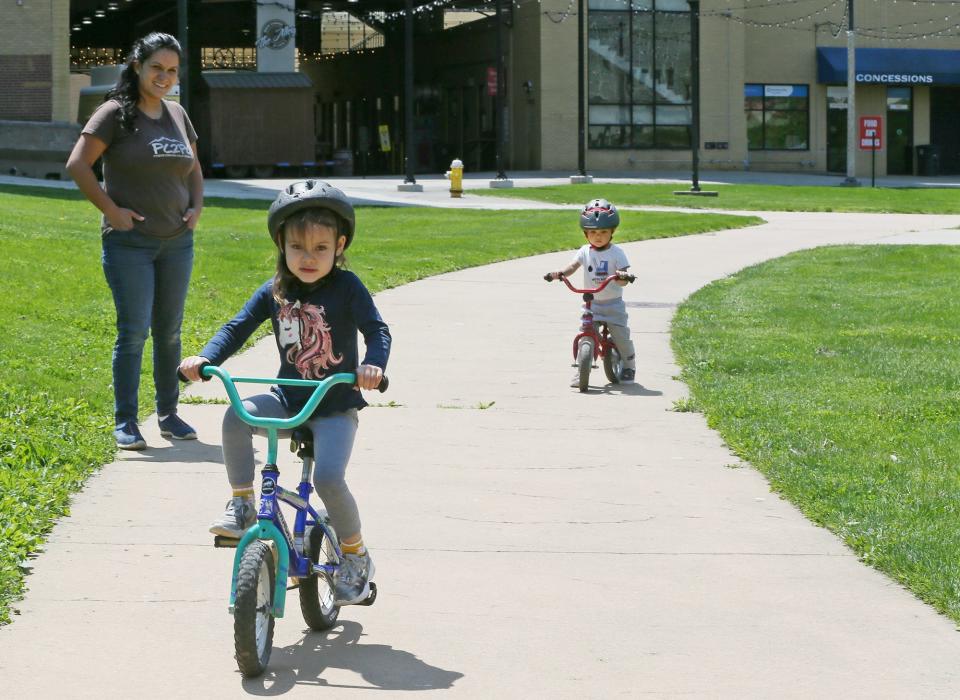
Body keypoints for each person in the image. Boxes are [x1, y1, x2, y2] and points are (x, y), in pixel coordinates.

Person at [178, 180, 391, 606]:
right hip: (288, 396)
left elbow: (377, 331)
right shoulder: (274, 290)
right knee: (236, 416)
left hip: (334, 404)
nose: (308, 258)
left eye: (320, 248)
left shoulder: (347, 288)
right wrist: (204, 359)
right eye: (297, 247)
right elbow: (236, 327)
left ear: (339, 245)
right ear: (281, 244)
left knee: (329, 477)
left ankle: (354, 554)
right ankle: (242, 504)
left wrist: (373, 366)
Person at [66, 32, 203, 450]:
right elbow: (78, 165)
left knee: (170, 332)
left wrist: (197, 206)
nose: (164, 77)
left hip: (177, 243)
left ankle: (168, 414)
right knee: (133, 332)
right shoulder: (113, 114)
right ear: (136, 67)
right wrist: (111, 210)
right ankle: (126, 421)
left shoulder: (178, 114)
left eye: (172, 70)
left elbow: (194, 168)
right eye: (156, 68)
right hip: (131, 245)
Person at [545, 198, 637, 385]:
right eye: (593, 232)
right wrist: (561, 274)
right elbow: (573, 266)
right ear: (585, 233)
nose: (598, 236)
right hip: (591, 303)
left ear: (612, 232)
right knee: (585, 335)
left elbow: (623, 280)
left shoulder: (617, 253)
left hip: (613, 305)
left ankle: (629, 366)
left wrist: (622, 276)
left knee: (621, 336)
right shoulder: (585, 251)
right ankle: (581, 372)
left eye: (603, 232)